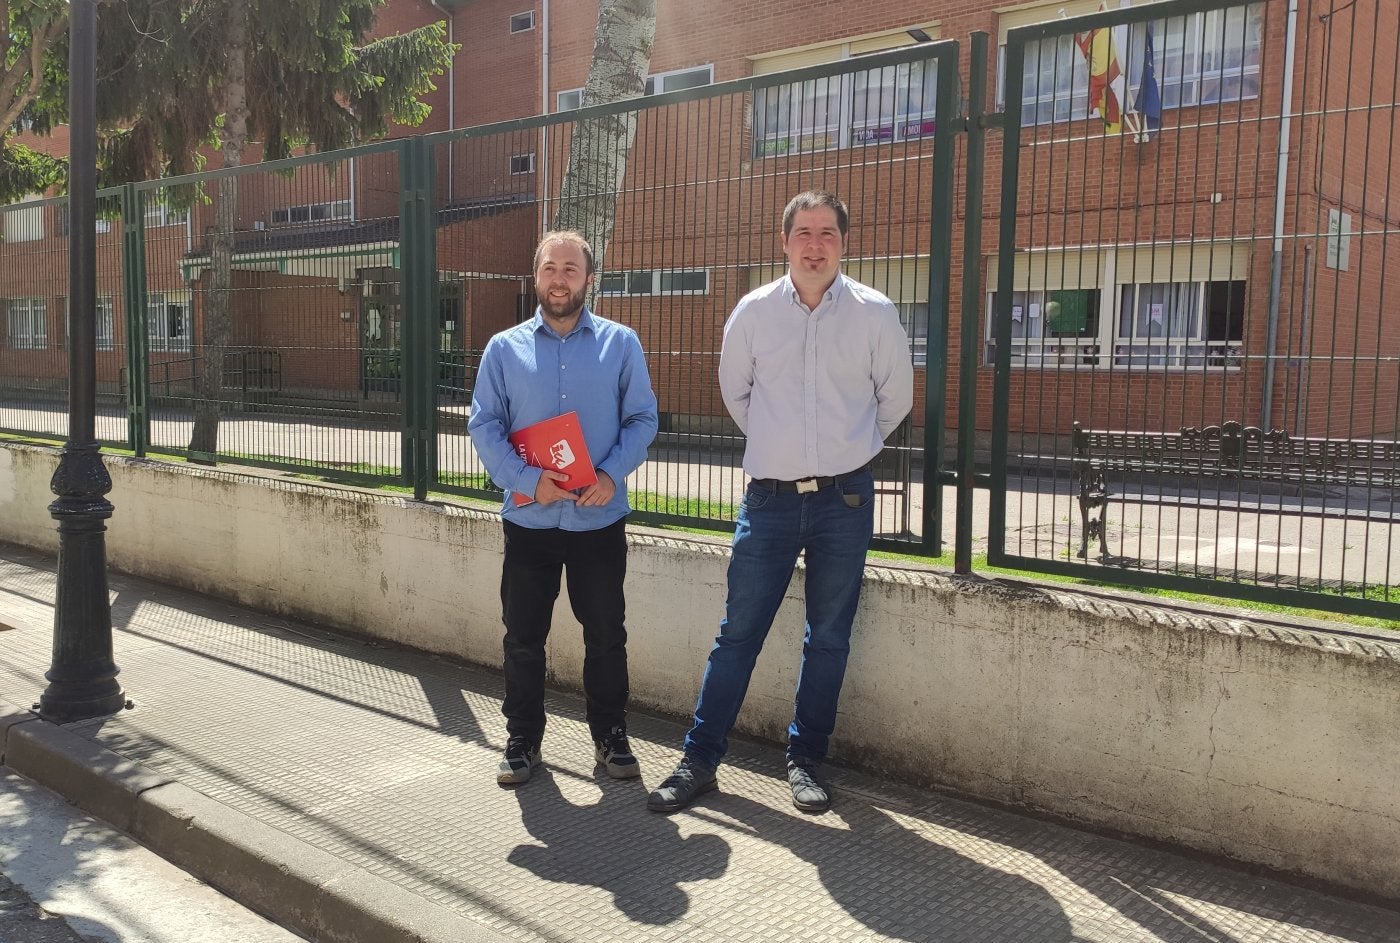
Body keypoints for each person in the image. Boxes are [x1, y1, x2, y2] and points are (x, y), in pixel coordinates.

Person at [647, 191, 914, 814]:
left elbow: (893, 402)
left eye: (826, 232)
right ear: (784, 241)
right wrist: (782, 447)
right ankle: (699, 760)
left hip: (843, 501)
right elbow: (736, 396)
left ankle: (804, 762)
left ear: (843, 243)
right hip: (767, 501)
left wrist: (846, 450)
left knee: (828, 638)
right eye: (803, 232)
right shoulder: (753, 312)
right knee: (737, 634)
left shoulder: (874, 315)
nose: (814, 244)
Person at [469, 230, 658, 786]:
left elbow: (643, 419)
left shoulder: (621, 345)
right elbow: (484, 424)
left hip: (598, 519)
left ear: (589, 279)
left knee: (605, 634)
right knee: (522, 635)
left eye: (571, 269)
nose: (560, 279)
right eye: (551, 268)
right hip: (530, 520)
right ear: (536, 276)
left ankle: (610, 736)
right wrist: (528, 481)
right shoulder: (503, 349)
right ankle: (523, 739)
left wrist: (608, 473)